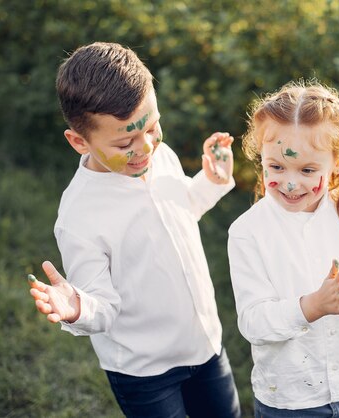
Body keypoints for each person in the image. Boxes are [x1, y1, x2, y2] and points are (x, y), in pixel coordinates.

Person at [27, 42, 241, 418]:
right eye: (124, 143)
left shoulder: (160, 156)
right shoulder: (80, 217)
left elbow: (182, 209)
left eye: (153, 127)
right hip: (144, 371)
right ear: (79, 142)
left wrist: (211, 181)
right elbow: (103, 307)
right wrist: (79, 308)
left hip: (205, 342)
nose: (145, 148)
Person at [227, 80, 339, 417]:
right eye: (276, 167)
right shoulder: (248, 233)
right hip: (289, 400)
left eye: (308, 170)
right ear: (260, 157)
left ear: (336, 164)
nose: (291, 183)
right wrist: (311, 307)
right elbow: (253, 323)